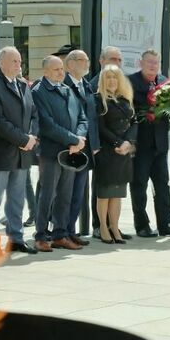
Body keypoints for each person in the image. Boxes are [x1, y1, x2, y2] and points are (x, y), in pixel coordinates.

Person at [0, 46, 38, 256]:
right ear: (1, 63)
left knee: (17, 199)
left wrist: (31, 138)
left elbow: (34, 114)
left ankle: (16, 238)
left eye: (20, 61)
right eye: (14, 61)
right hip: (0, 153)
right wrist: (23, 139)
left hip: (23, 153)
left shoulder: (24, 85)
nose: (19, 65)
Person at [31, 55, 89, 252]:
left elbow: (82, 118)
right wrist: (73, 140)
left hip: (70, 153)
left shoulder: (67, 90)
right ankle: (40, 236)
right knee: (47, 195)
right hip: (51, 153)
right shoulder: (39, 91)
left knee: (65, 195)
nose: (60, 72)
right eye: (55, 70)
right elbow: (47, 125)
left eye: (61, 69)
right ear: (45, 72)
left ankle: (60, 235)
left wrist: (79, 140)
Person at [128, 49, 170, 238]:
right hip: (141, 144)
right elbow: (129, 112)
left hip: (160, 145)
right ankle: (142, 225)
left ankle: (165, 224)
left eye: (156, 63)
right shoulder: (131, 82)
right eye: (149, 62)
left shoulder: (164, 82)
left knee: (162, 185)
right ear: (141, 63)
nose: (153, 66)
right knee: (139, 186)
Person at [94, 65, 139, 244]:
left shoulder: (125, 99)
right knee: (104, 193)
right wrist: (118, 143)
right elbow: (100, 127)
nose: (112, 80)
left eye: (115, 77)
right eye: (108, 77)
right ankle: (103, 227)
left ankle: (114, 226)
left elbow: (134, 122)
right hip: (107, 152)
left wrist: (129, 142)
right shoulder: (98, 100)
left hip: (124, 152)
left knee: (118, 193)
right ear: (103, 80)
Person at [64, 48, 99, 245]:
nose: (87, 63)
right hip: (70, 146)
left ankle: (71, 230)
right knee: (65, 192)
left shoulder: (87, 85)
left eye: (87, 59)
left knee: (78, 192)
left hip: (85, 147)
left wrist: (94, 144)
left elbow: (91, 118)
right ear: (70, 64)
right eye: (82, 60)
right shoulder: (64, 85)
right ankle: (60, 230)